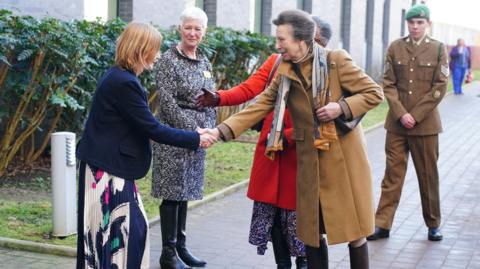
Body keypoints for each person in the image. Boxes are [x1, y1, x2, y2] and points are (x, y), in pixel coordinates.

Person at [206, 10, 383, 269]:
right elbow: (262, 105)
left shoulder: (336, 61)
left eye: (281, 39)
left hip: (342, 163)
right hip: (308, 162)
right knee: (310, 233)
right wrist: (220, 131)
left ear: (301, 40)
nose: (277, 46)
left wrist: (340, 108)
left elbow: (373, 92)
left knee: (354, 231)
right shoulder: (286, 69)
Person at [195, 16, 332, 269]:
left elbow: (327, 119)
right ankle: (282, 264)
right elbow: (250, 90)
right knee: (273, 215)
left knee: (301, 217)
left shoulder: (327, 70)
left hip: (301, 153)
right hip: (271, 150)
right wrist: (218, 98)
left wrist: (290, 136)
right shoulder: (276, 62)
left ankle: (304, 262)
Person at [75, 22, 216, 269]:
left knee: (115, 235)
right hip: (105, 172)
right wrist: (196, 138)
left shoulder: (119, 77)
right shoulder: (124, 83)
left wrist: (195, 133)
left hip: (107, 168)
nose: (159, 55)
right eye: (156, 49)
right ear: (141, 50)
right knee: (120, 235)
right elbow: (152, 128)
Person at [367, 4, 448, 242]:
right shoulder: (395, 47)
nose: (415, 27)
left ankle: (433, 223)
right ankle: (382, 224)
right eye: (411, 23)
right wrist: (402, 113)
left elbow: (440, 87)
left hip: (426, 126)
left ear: (428, 24)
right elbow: (388, 84)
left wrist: (417, 115)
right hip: (397, 125)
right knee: (392, 175)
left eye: (420, 23)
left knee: (427, 175)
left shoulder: (438, 49)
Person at [151, 7, 216, 269]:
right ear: (180, 29)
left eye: (197, 28)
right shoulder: (168, 60)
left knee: (186, 191)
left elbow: (212, 98)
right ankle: (167, 254)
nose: (192, 32)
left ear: (204, 32)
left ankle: (181, 248)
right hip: (174, 136)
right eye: (188, 27)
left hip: (198, 137)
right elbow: (167, 103)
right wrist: (194, 131)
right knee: (172, 192)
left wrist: (210, 129)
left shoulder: (204, 61)